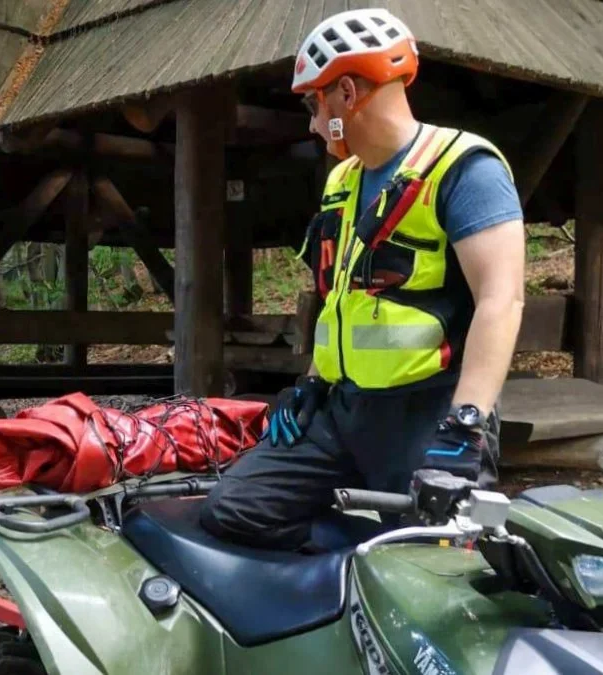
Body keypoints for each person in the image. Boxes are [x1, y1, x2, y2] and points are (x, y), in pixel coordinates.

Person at [200, 8, 526, 550]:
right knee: (233, 511)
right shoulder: (342, 181)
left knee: (434, 560)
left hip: (427, 413)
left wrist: (465, 424)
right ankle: (359, 562)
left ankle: (393, 555)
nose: (311, 122)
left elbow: (503, 298)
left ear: (346, 93)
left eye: (313, 103)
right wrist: (311, 382)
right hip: (340, 411)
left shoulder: (464, 168)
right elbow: (341, 300)